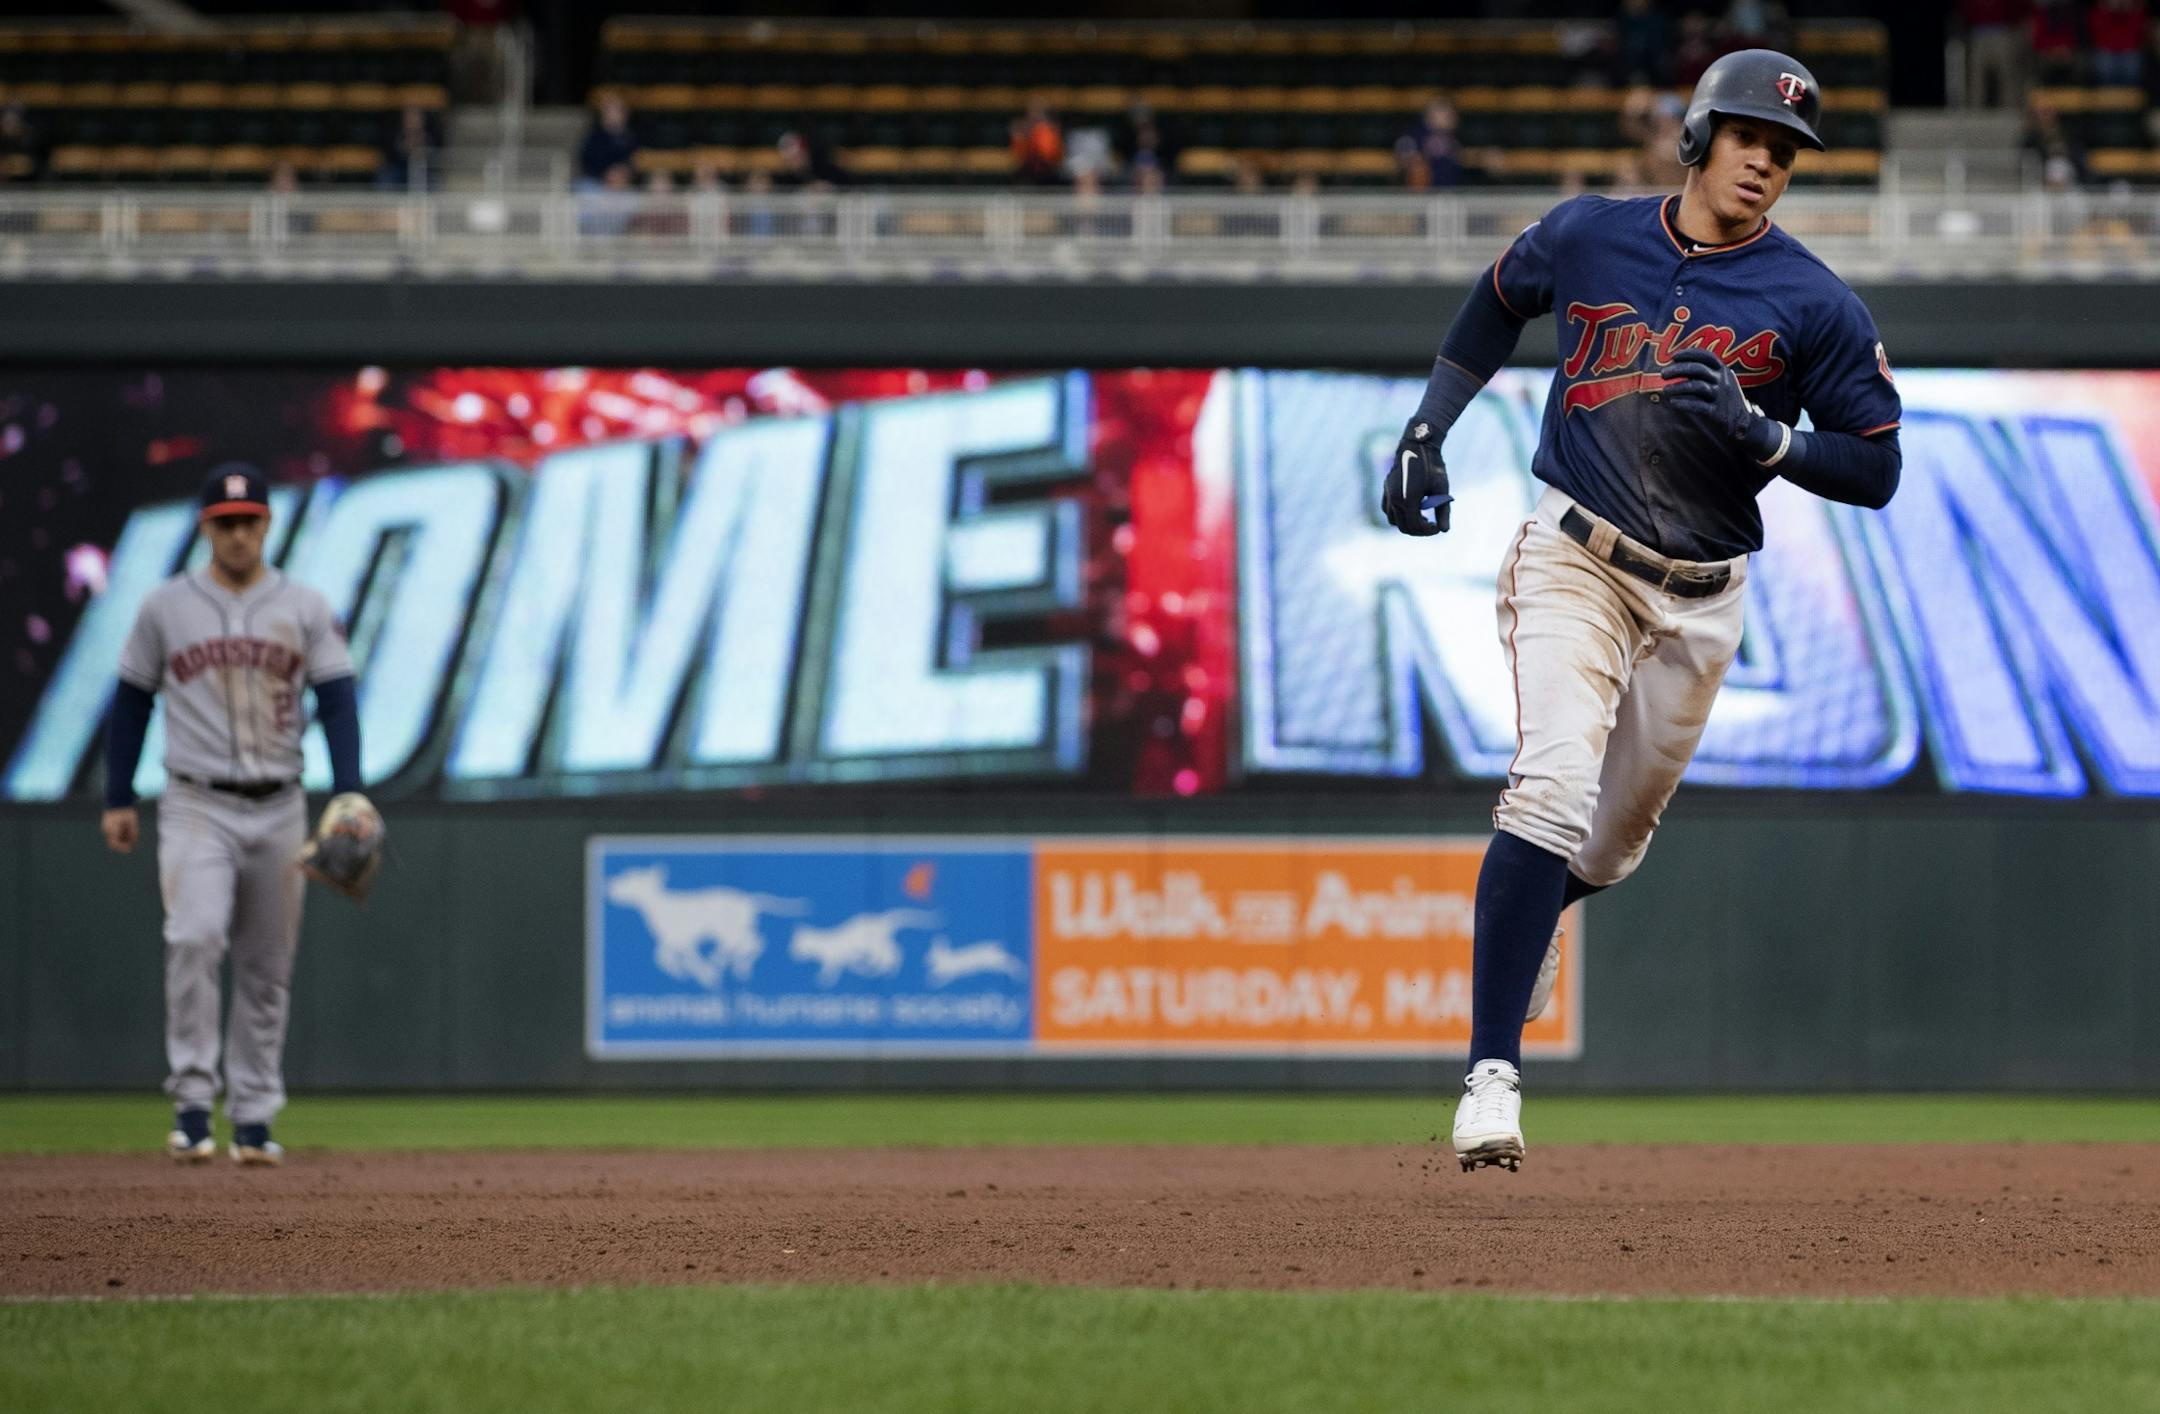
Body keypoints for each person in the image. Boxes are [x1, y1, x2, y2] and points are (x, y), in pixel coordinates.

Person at [1379, 51, 1901, 1174]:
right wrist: (1428, 427)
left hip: (1704, 597)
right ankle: (1491, 1076)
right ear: (1698, 135)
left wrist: (1771, 438)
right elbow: (1496, 300)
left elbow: (1876, 465)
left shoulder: (1813, 301)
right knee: (1551, 788)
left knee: (1611, 846)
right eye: (1749, 135)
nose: (1764, 162)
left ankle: (1544, 908)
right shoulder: (1590, 235)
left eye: (1786, 151)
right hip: (1577, 554)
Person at [102, 468, 366, 1166]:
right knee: (194, 937)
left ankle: (252, 1118)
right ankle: (193, 1107)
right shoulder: (165, 606)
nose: (239, 534)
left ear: (267, 525)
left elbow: (338, 698)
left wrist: (349, 791)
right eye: (226, 522)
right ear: (206, 528)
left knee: (267, 965)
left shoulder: (304, 605)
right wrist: (118, 795)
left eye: (249, 520)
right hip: (197, 801)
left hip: (280, 802)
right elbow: (131, 701)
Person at [1959, 0, 2031, 108]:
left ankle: (2010, 109)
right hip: (1978, 35)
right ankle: (1974, 110)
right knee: (1976, 76)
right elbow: (1963, 8)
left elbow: (2021, 8)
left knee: (2007, 74)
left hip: (2003, 34)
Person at [577, 91, 640, 188]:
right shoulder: (593, 136)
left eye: (617, 110)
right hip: (597, 182)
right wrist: (607, 174)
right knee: (583, 186)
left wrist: (624, 173)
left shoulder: (632, 137)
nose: (613, 114)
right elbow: (587, 162)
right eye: (609, 110)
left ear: (625, 113)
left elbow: (636, 160)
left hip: (625, 184)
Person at [2090, 0, 2148, 86]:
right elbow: (2095, 28)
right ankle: (2105, 92)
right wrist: (2106, 10)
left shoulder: (2136, 12)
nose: (2120, 2)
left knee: (2132, 65)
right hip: (2106, 50)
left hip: (2129, 50)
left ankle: (2131, 93)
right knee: (2104, 64)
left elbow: (2141, 30)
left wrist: (2132, 10)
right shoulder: (2100, 11)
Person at [1010, 102, 1064, 185]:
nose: (1035, 116)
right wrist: (1020, 137)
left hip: (1049, 171)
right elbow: (1018, 154)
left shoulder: (1048, 130)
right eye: (1032, 113)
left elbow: (1049, 154)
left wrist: (1035, 135)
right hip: (1028, 170)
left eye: (1038, 112)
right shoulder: (1023, 130)